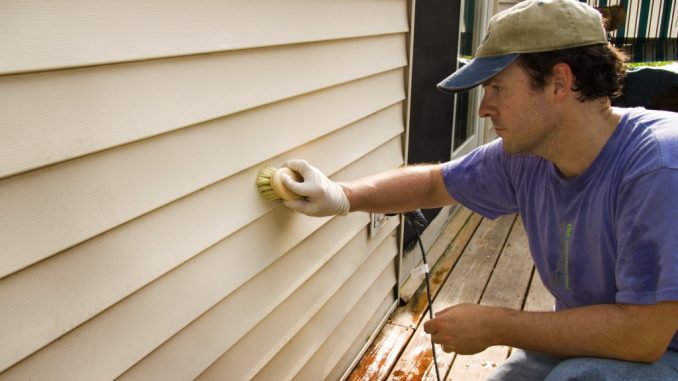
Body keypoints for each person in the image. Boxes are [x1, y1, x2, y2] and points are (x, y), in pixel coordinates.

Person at [279, 0, 678, 379]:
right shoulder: (530, 155)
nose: (484, 107)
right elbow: (433, 182)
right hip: (606, 338)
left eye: (498, 88)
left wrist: (495, 325)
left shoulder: (658, 166)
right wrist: (340, 196)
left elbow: (643, 335)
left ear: (559, 82)